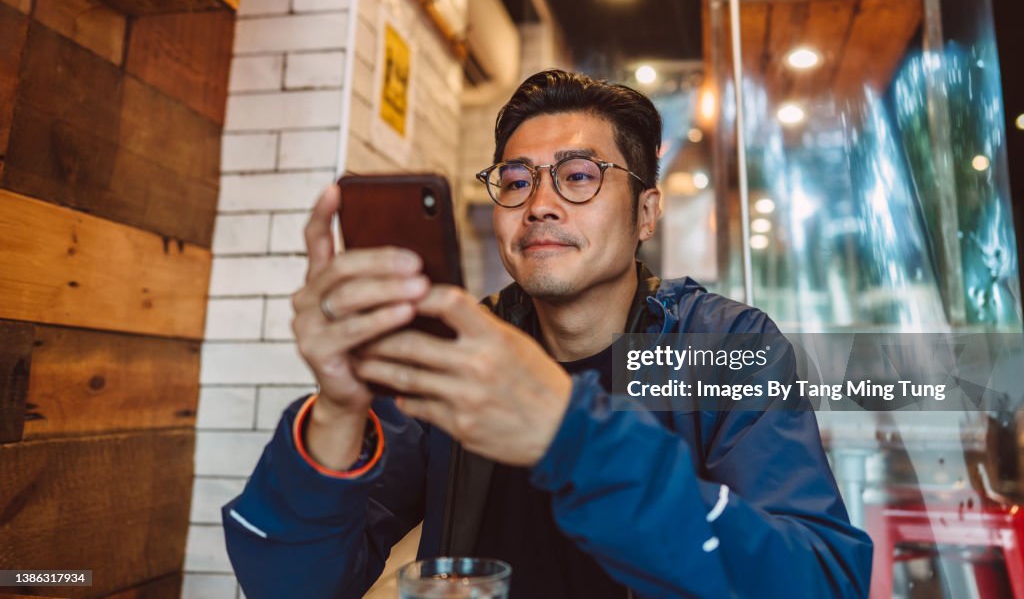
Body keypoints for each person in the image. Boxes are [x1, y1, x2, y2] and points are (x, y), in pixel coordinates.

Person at [223, 69, 873, 598]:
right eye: (515, 180)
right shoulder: (460, 348)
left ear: (646, 212)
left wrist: (571, 435)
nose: (538, 203)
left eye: (579, 176)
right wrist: (337, 408)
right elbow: (292, 584)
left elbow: (819, 580)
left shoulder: (726, 345)